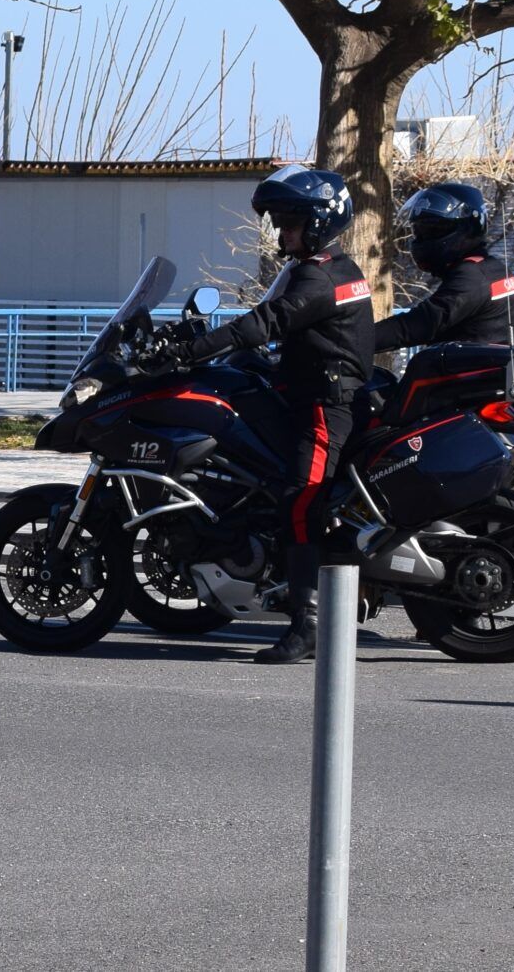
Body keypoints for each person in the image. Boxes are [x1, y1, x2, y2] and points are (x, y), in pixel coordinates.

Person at [157, 165, 375, 664]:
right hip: (307, 393)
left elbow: (266, 321)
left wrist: (193, 349)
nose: (281, 232)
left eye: (289, 221)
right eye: (278, 221)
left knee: (301, 503)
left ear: (318, 221)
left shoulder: (321, 277)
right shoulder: (326, 266)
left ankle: (309, 624)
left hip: (326, 406)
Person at [373, 183, 514, 350]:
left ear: (465, 229)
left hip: (467, 372)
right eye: (419, 232)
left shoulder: (472, 277)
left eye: (432, 230)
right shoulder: (491, 269)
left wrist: (354, 342)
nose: (422, 239)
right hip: (483, 369)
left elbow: (420, 324)